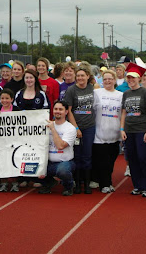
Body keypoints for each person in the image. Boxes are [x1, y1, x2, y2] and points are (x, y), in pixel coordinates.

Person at [120, 63, 146, 197]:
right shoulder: (126, 94)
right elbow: (123, 112)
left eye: (133, 78)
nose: (131, 80)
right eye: (129, 78)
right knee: (132, 159)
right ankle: (138, 186)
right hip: (129, 130)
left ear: (139, 79)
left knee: (143, 158)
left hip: (141, 130)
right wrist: (122, 129)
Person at [64, 63, 96, 194]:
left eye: (83, 75)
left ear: (88, 76)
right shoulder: (71, 90)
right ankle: (77, 184)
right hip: (75, 127)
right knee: (77, 156)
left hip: (90, 127)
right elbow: (69, 111)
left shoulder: (93, 88)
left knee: (87, 156)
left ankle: (87, 184)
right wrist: (76, 128)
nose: (80, 78)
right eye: (78, 76)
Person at [92, 70, 123, 193]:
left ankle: (107, 182)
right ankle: (104, 184)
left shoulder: (120, 95)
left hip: (115, 134)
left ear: (115, 80)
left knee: (110, 162)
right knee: (103, 161)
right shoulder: (96, 93)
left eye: (110, 79)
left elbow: (122, 114)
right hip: (99, 133)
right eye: (105, 79)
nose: (108, 81)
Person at [38, 100, 77, 196]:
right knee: (31, 169)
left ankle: (69, 186)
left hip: (65, 162)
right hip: (48, 162)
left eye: (61, 109)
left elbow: (60, 146)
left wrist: (53, 129)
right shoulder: (46, 124)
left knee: (62, 171)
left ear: (66, 112)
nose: (57, 111)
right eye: (55, 109)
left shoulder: (70, 128)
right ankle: (49, 183)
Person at [0, 88, 21, 192]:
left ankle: (14, 183)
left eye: (7, 98)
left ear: (12, 99)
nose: (4, 100)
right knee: (2, 162)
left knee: (13, 161)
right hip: (0, 141)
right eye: (2, 98)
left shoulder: (16, 109)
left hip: (13, 141)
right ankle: (3, 183)